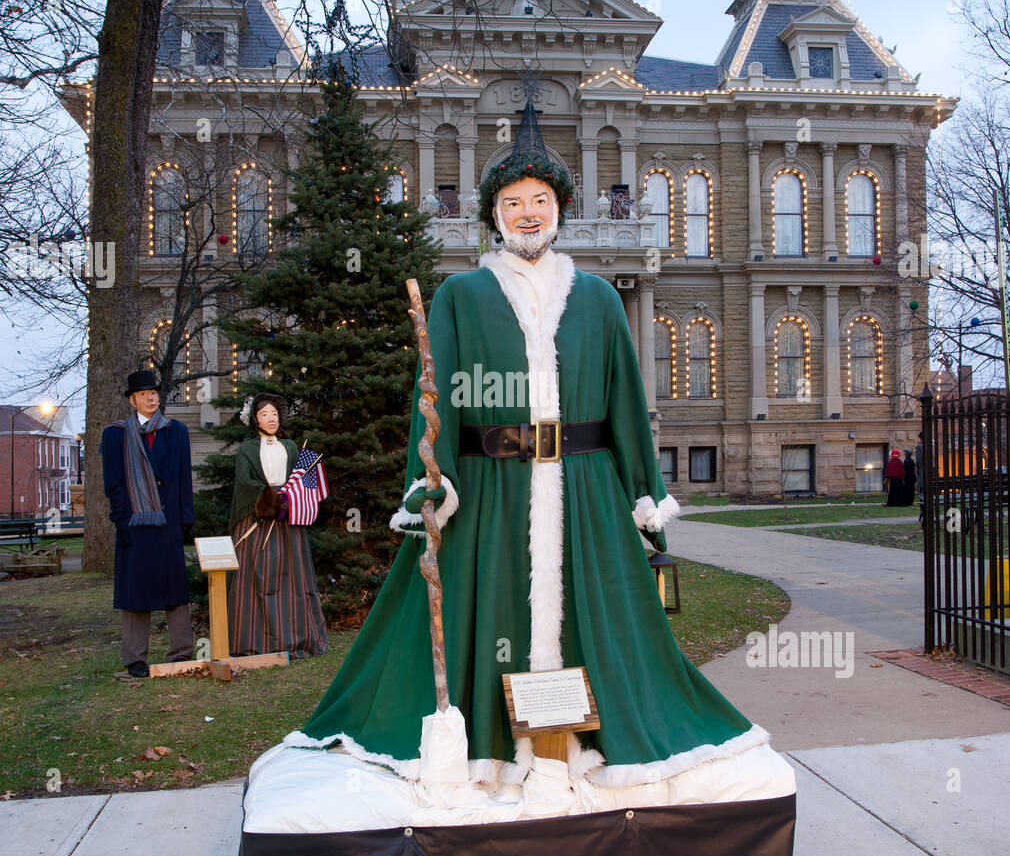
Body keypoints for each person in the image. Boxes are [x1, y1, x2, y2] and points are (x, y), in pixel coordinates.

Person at [285, 103, 787, 802]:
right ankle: (492, 744)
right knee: (494, 616)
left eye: (541, 200)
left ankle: (585, 735)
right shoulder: (460, 296)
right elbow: (436, 402)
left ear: (560, 209)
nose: (527, 212)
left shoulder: (601, 300)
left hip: (584, 487)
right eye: (513, 201)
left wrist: (642, 490)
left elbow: (623, 404)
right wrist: (431, 481)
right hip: (490, 490)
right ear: (494, 214)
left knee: (593, 616)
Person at [101, 369, 194, 680]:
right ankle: (135, 659)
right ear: (132, 400)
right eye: (144, 394)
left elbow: (183, 479)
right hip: (135, 525)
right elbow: (112, 484)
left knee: (175, 591)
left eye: (155, 393)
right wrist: (123, 520)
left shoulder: (176, 431)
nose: (151, 398)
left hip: (168, 524)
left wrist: (184, 521)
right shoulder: (114, 434)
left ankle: (181, 653)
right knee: (136, 594)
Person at [227, 393, 327, 659]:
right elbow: (243, 483)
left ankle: (294, 638)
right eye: (264, 415)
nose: (270, 419)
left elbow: (303, 480)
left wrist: (290, 502)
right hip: (259, 521)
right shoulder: (247, 449)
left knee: (291, 578)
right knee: (258, 577)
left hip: (288, 522)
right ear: (254, 419)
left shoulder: (291, 447)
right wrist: (268, 501)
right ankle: (255, 642)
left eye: (274, 414)